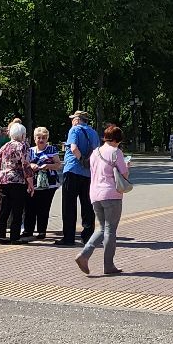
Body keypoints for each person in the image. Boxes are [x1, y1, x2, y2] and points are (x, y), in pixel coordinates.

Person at [77, 124, 131, 275]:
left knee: (101, 228)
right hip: (111, 194)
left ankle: (84, 254)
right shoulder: (116, 152)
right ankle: (108, 265)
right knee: (110, 230)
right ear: (117, 140)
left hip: (95, 194)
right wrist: (127, 165)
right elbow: (124, 175)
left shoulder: (95, 152)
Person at [59, 111, 100, 247]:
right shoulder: (93, 133)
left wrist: (81, 159)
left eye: (73, 119)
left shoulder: (74, 130)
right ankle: (88, 236)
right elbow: (96, 151)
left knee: (69, 205)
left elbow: (74, 147)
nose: (72, 121)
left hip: (72, 169)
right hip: (88, 173)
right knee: (87, 205)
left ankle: (69, 237)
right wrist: (88, 162)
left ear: (77, 120)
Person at [0, 123, 34, 244]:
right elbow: (25, 165)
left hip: (3, 179)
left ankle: (0, 236)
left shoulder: (4, 147)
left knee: (4, 208)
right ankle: (14, 237)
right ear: (22, 135)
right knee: (17, 209)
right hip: (17, 180)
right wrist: (30, 182)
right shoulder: (22, 146)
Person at [28, 127, 62, 241]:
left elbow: (58, 165)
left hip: (49, 184)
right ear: (34, 138)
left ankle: (42, 231)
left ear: (47, 138)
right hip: (33, 183)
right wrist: (31, 166)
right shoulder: (30, 150)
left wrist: (48, 166)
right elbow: (26, 164)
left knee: (44, 208)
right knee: (31, 207)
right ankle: (29, 230)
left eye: (44, 138)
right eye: (39, 138)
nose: (41, 140)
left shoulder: (51, 149)